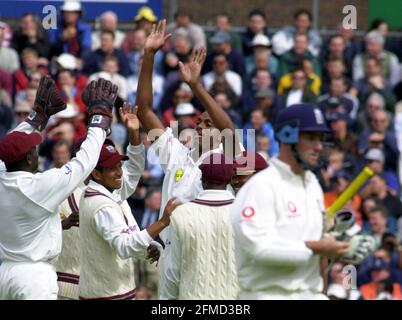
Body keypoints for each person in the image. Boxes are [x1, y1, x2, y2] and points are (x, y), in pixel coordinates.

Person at [231, 103, 370, 300]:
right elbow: (258, 248)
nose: (319, 147)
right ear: (288, 135)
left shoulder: (312, 184)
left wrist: (341, 247)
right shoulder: (261, 186)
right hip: (267, 295)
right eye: (311, 138)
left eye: (321, 140)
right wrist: (319, 247)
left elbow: (314, 241)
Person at [0, 77, 116, 299]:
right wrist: (100, 118)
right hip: (34, 278)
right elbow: (86, 161)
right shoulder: (39, 187)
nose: (37, 150)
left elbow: (7, 145)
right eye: (34, 149)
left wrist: (37, 117)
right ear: (28, 158)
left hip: (5, 272)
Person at [78, 103, 179, 299]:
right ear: (96, 173)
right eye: (112, 169)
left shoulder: (113, 193)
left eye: (118, 165)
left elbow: (132, 168)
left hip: (116, 290)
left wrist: (134, 133)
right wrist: (162, 223)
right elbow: (124, 247)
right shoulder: (101, 205)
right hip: (106, 295)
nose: (119, 172)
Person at [161, 153, 238, 299]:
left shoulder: (180, 214)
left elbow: (172, 270)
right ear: (230, 180)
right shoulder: (243, 213)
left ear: (202, 179)